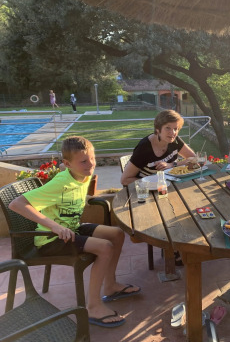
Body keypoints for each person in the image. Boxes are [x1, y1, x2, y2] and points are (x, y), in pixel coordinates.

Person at [9, 136, 140, 328]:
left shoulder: (83, 176)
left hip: (71, 228)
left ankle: (110, 286)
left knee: (117, 234)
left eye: (92, 159)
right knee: (105, 247)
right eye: (84, 161)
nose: (91, 164)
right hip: (50, 239)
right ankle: (94, 306)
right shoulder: (60, 183)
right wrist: (54, 226)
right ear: (67, 164)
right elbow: (16, 204)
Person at [121, 109, 196, 186]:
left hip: (169, 184)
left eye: (175, 129)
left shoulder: (175, 140)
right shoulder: (144, 148)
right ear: (157, 129)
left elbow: (194, 159)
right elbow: (125, 180)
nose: (173, 133)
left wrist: (172, 165)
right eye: (168, 128)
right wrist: (154, 184)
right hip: (147, 189)